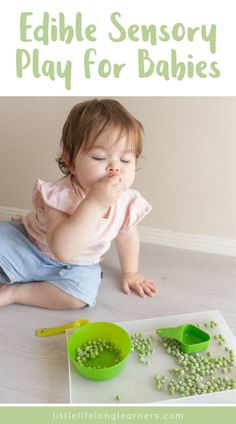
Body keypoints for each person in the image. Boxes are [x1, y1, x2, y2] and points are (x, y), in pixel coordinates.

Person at [0, 99, 157, 309]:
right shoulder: (59, 194)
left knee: (81, 295)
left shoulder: (128, 202)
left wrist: (130, 272)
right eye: (100, 157)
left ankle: (16, 293)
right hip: (30, 245)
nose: (115, 168)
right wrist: (94, 204)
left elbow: (127, 238)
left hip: (79, 265)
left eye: (126, 160)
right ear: (70, 162)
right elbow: (62, 249)